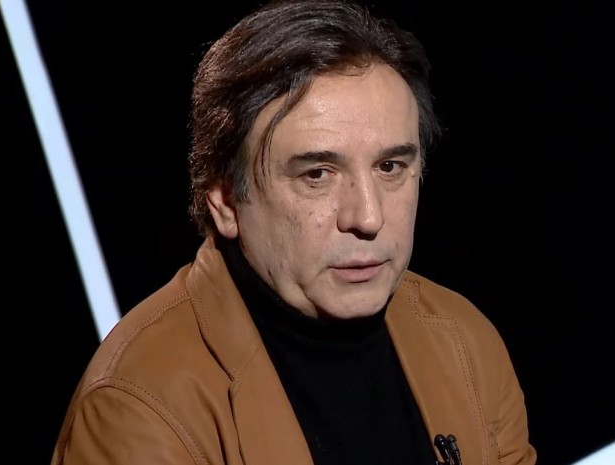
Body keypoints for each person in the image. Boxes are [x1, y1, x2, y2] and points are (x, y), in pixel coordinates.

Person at [50, 0, 537, 464]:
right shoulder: (139, 406)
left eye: (390, 167)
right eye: (317, 174)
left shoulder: (466, 341)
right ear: (225, 201)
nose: (368, 217)